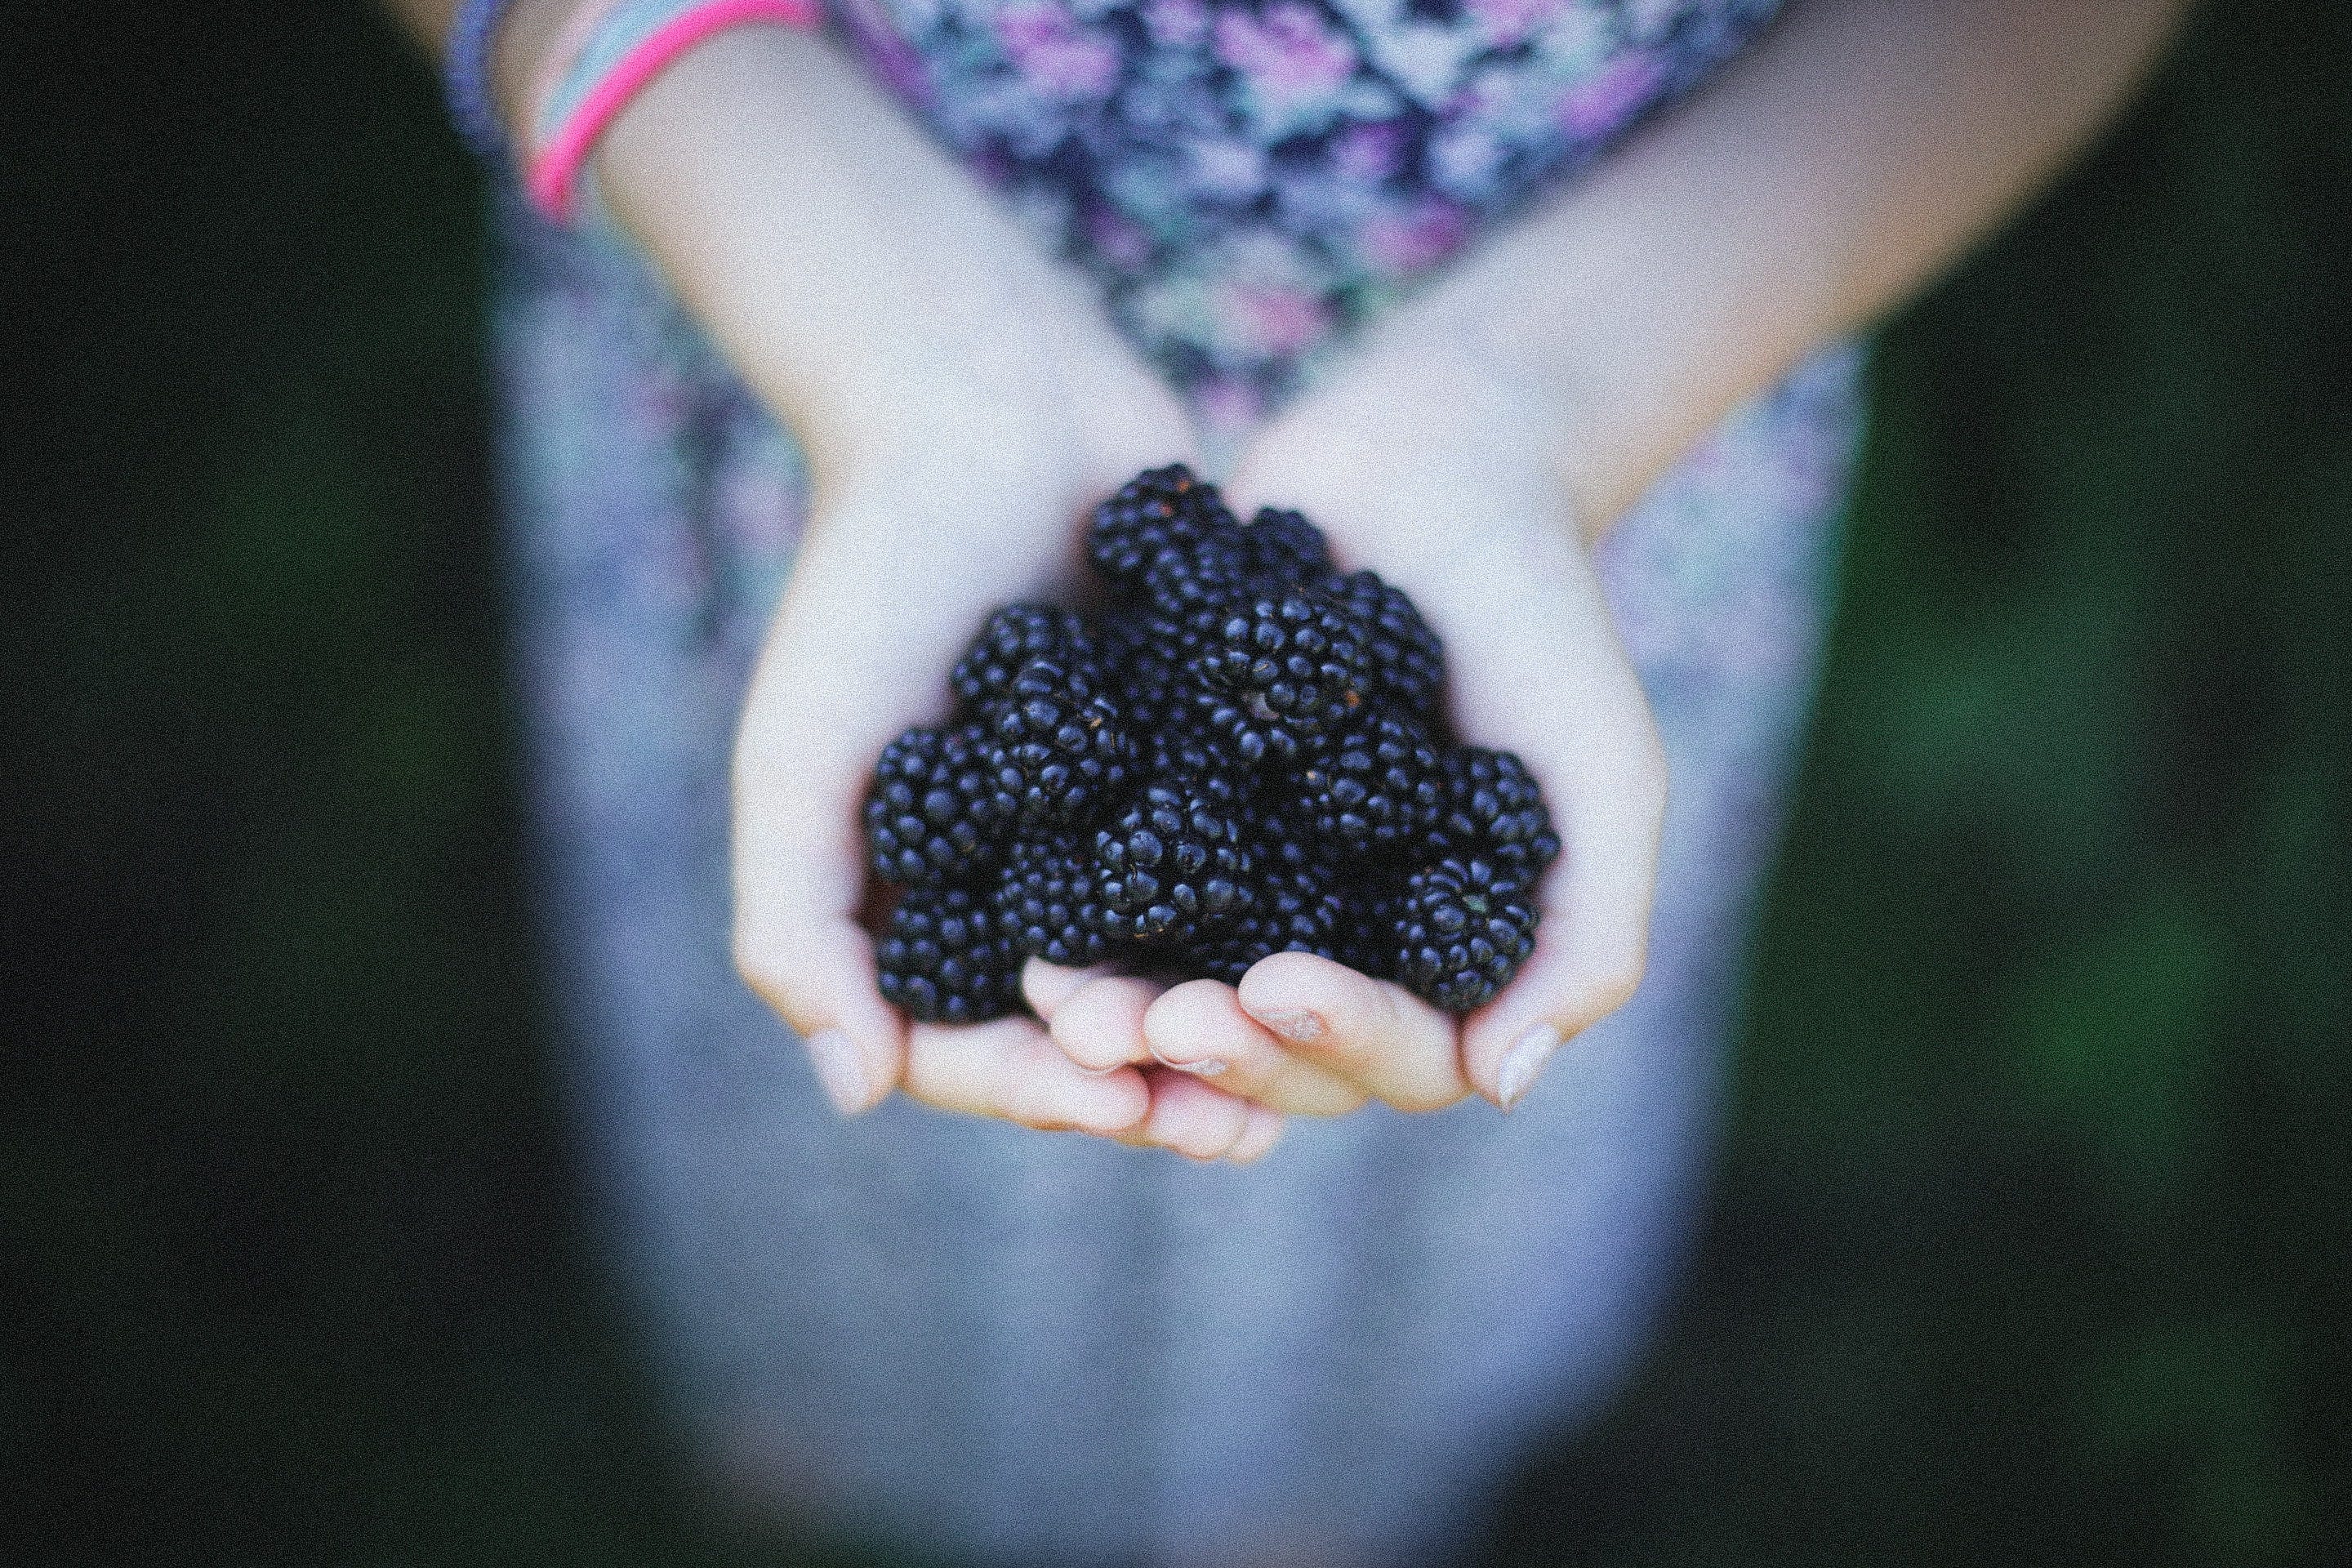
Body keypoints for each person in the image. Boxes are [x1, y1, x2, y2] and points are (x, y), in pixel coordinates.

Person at [388, 0, 2187, 1561]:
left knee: (1363, 1159)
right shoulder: (1086, 710)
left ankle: (1316, 1478)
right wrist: (871, 322)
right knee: (836, 1138)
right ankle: (834, 1396)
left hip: (1603, 430)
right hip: (800, 346)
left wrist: (1543, 404)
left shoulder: (1340, 728)